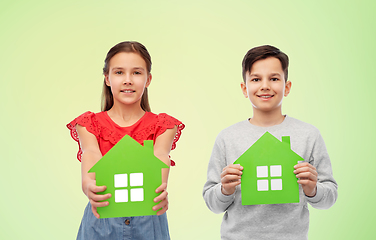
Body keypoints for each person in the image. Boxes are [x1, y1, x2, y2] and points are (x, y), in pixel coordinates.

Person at [203, 45, 337, 240]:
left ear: (287, 86)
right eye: (256, 79)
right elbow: (212, 203)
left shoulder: (309, 135)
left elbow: (329, 197)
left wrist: (313, 188)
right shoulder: (227, 138)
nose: (265, 85)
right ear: (244, 88)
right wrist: (225, 189)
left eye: (274, 78)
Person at [67, 41, 184, 240]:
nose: (128, 80)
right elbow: (91, 155)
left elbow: (160, 158)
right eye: (119, 72)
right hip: (101, 220)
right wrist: (88, 186)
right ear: (107, 78)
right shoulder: (89, 124)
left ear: (148, 79)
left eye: (137, 73)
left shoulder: (163, 125)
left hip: (148, 220)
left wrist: (160, 190)